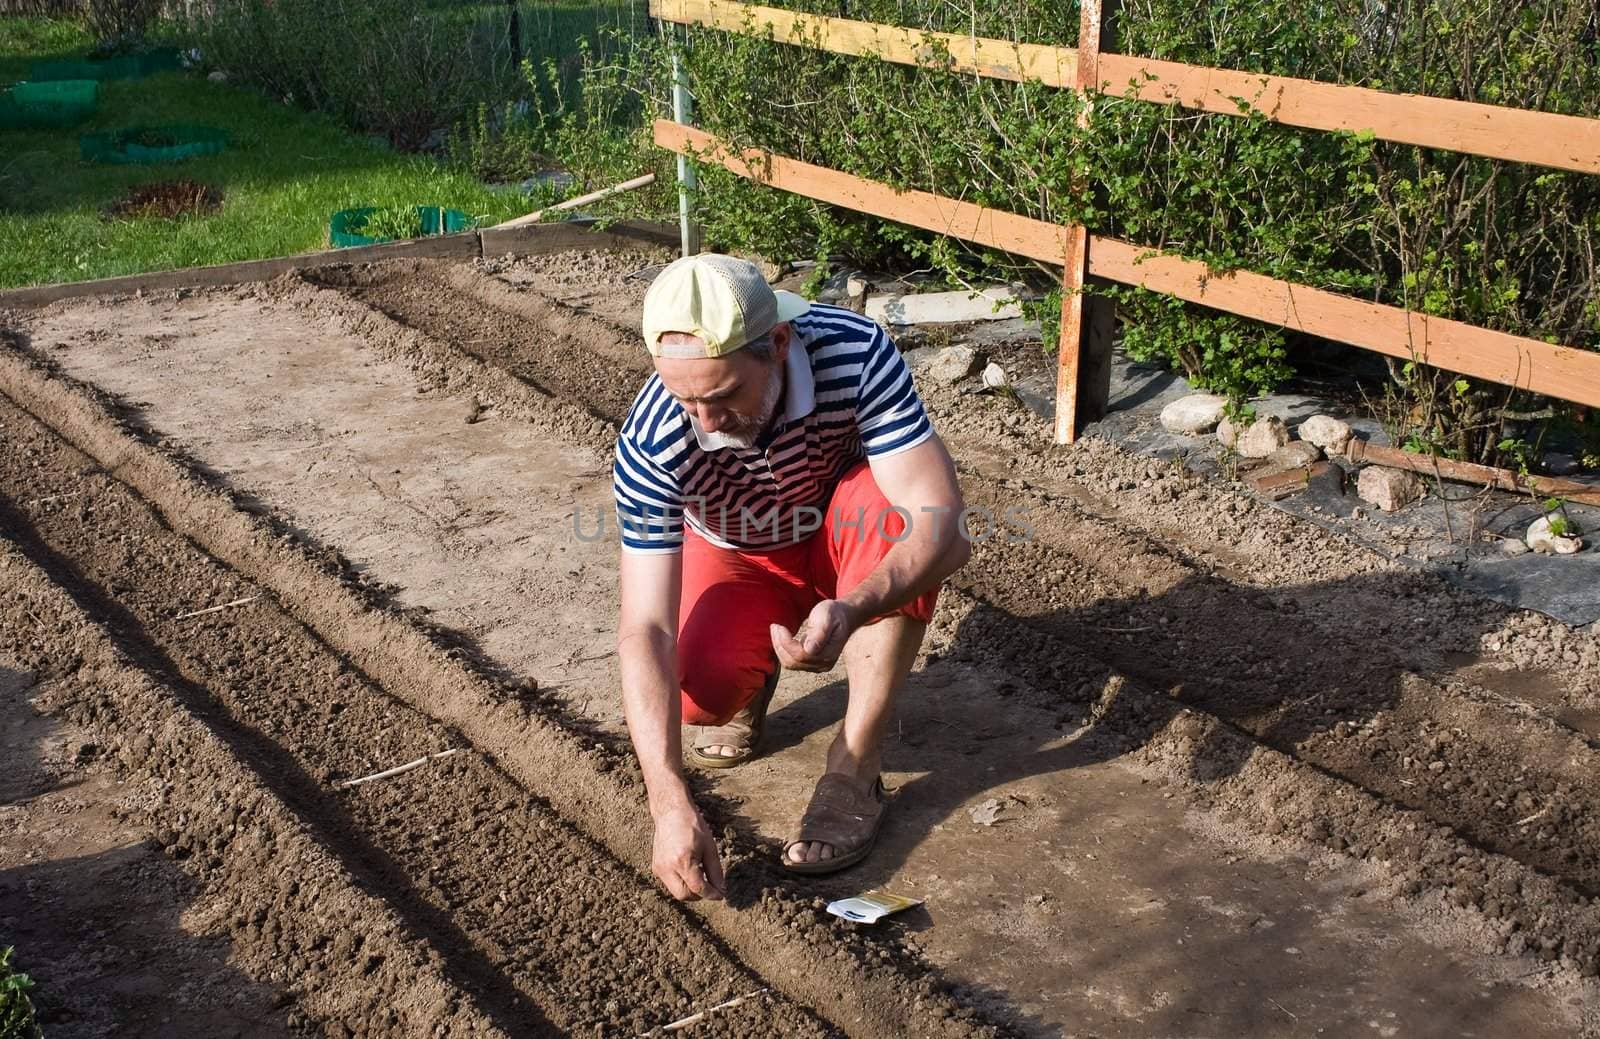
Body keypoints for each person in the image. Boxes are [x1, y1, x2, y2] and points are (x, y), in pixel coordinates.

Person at [613, 253, 969, 901]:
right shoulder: (652, 440)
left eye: (722, 396)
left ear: (777, 343)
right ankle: (752, 677)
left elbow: (940, 527)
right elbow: (645, 626)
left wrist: (853, 607)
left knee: (899, 518)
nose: (707, 422)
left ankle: (854, 768)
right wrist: (669, 805)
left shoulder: (854, 352)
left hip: (844, 540)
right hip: (742, 553)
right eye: (684, 397)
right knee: (696, 692)